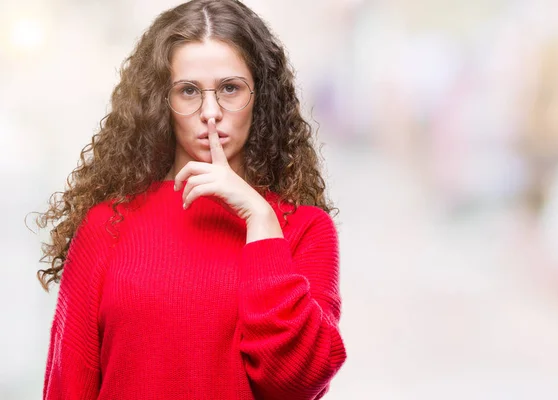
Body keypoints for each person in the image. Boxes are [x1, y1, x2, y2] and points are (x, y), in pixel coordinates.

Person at [36, 1, 347, 399]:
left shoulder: (304, 230)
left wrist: (261, 220)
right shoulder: (106, 226)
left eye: (230, 88)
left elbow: (297, 382)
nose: (211, 112)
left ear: (261, 96)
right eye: (188, 91)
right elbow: (67, 389)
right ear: (161, 102)